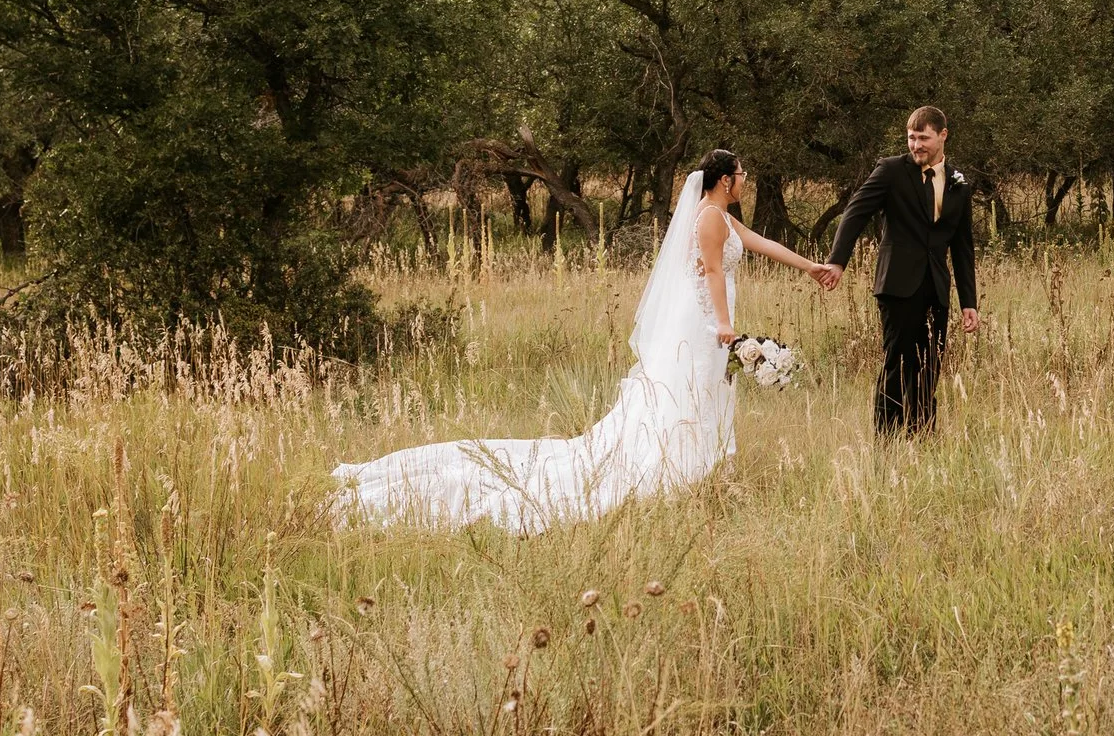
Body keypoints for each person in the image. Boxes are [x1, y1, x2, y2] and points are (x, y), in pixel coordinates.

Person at [334, 150, 838, 532]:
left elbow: (762, 244)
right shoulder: (709, 218)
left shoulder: (723, 218)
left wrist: (811, 267)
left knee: (699, 397)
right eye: (742, 174)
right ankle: (674, 475)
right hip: (704, 325)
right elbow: (709, 272)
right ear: (726, 180)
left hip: (706, 326)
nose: (745, 181)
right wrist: (727, 328)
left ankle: (694, 475)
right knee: (686, 397)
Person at [823, 106, 980, 436]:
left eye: (923, 138)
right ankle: (885, 442)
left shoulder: (959, 183)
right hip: (897, 285)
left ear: (942, 136)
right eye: (911, 138)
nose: (916, 145)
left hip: (936, 287)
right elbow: (855, 212)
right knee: (897, 363)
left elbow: (963, 246)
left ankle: (921, 438)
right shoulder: (891, 170)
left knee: (929, 367)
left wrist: (969, 302)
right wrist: (838, 261)